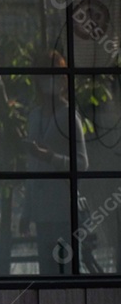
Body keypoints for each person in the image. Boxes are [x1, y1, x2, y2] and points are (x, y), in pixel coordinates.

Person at [25, 52, 88, 275]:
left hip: (64, 211)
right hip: (43, 212)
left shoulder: (69, 116)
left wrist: (51, 157)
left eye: (54, 75)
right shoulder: (34, 116)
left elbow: (82, 163)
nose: (48, 81)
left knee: (68, 271)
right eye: (44, 75)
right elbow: (31, 167)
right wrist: (27, 210)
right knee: (47, 273)